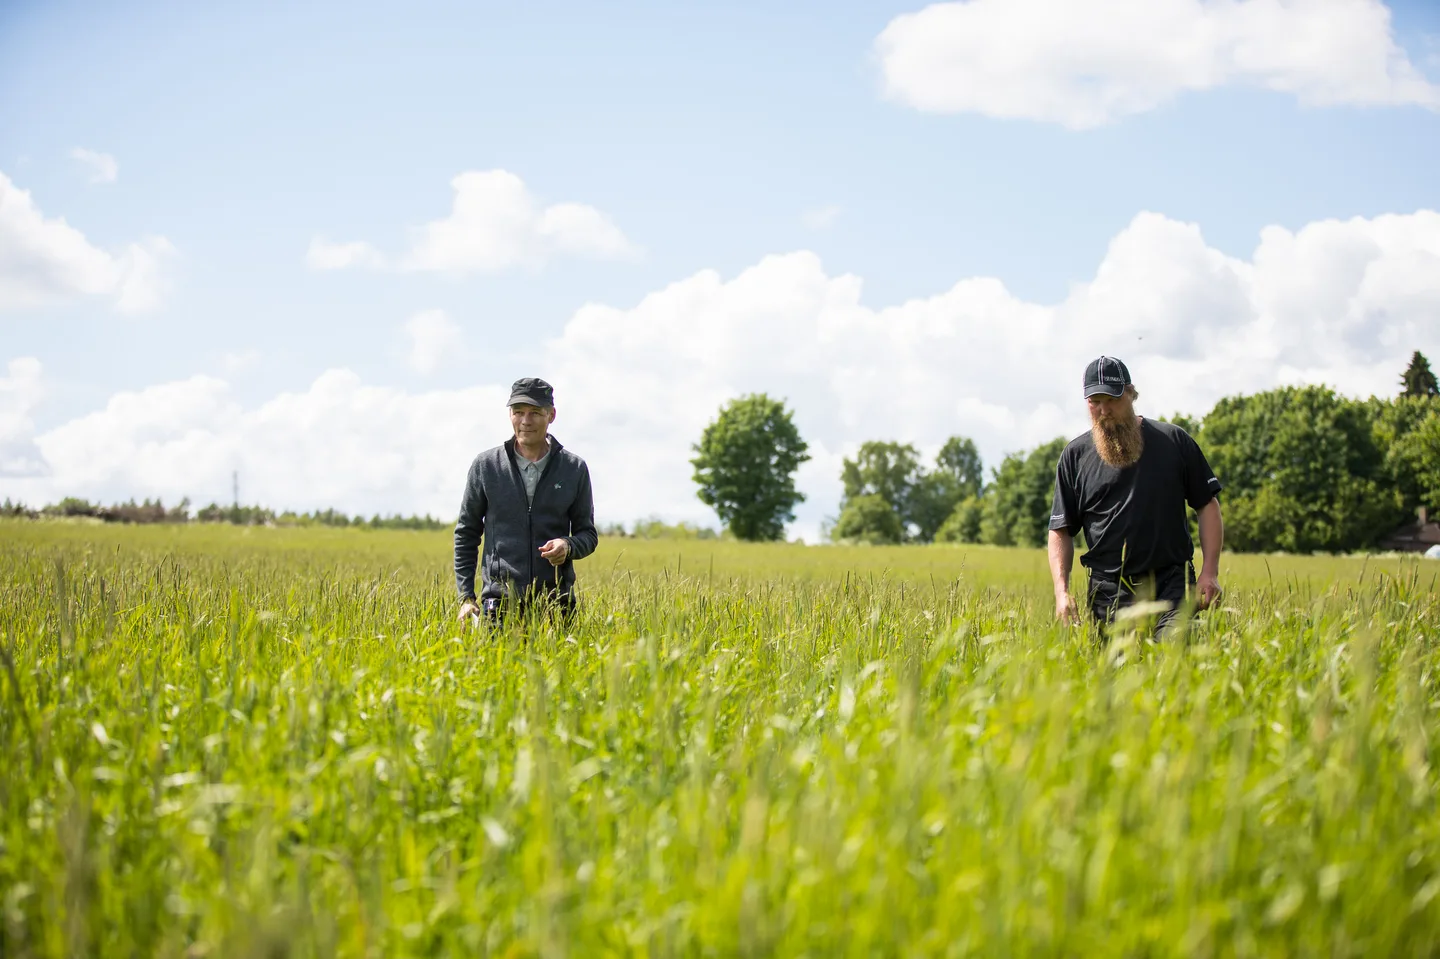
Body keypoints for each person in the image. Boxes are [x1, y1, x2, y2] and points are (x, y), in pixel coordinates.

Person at [1047, 356, 1224, 635]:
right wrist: (1062, 592)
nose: (1104, 410)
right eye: (1095, 402)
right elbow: (1061, 529)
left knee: (1174, 655)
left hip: (1172, 582)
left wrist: (1209, 572)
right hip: (1109, 592)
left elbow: (1207, 504)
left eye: (1112, 399)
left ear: (1131, 393)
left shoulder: (1173, 441)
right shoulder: (1075, 456)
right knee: (1119, 675)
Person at [454, 377, 598, 627]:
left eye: (535, 412)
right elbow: (466, 533)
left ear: (551, 415)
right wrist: (466, 597)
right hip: (498, 607)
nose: (525, 421)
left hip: (556, 605)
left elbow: (588, 534)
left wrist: (568, 545)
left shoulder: (573, 468)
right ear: (510, 414)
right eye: (518, 412)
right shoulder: (486, 466)